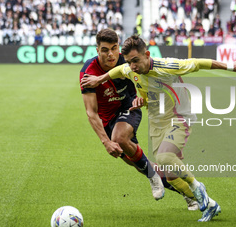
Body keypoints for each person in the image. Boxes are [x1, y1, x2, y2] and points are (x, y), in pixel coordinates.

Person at [81, 35, 236, 222]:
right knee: (170, 176)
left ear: (147, 55)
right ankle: (210, 204)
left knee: (163, 157)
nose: (133, 66)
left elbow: (198, 63)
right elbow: (118, 71)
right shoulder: (130, 69)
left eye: (136, 60)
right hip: (157, 122)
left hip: (179, 117)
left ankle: (197, 186)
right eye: (130, 62)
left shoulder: (167, 66)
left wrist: (230, 66)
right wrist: (103, 82)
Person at [80, 29, 199, 210]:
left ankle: (153, 177)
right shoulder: (88, 72)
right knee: (139, 162)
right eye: (105, 50)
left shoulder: (128, 60)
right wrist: (105, 142)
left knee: (119, 139)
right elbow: (91, 112)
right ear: (97, 50)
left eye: (114, 48)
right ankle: (192, 195)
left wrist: (143, 98)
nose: (110, 54)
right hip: (108, 121)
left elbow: (149, 76)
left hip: (130, 107)